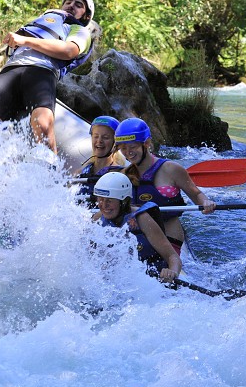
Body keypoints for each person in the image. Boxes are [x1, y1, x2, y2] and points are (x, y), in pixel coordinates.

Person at [0, 0, 95, 154]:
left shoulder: (80, 30)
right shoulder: (39, 22)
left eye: (78, 5)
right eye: (68, 1)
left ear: (85, 16)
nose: (71, 6)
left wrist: (25, 41)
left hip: (41, 72)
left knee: (42, 127)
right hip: (10, 72)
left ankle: (49, 170)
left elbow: (69, 51)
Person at [114, 118, 216, 256]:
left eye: (132, 147)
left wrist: (206, 203)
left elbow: (196, 194)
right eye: (123, 148)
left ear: (147, 143)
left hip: (169, 239)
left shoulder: (171, 169)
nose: (128, 152)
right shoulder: (123, 175)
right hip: (138, 239)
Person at [92, 172, 182, 282]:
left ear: (123, 202)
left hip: (149, 279)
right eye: (100, 199)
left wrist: (173, 272)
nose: (104, 205)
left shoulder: (142, 219)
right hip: (117, 280)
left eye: (109, 201)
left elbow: (173, 256)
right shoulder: (97, 219)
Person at [77, 115, 126, 206]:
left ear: (115, 143)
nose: (99, 141)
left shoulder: (120, 174)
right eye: (96, 136)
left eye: (105, 137)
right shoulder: (82, 171)